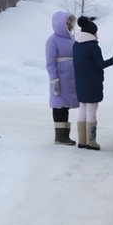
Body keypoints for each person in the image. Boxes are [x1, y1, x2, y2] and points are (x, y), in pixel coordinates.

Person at [72, 15, 113, 150]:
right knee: (91, 111)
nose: (97, 35)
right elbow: (100, 64)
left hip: (80, 82)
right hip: (92, 83)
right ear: (92, 33)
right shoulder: (93, 47)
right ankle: (91, 141)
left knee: (82, 110)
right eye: (95, 32)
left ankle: (82, 141)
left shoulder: (76, 45)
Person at [45, 11, 78, 145]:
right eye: (67, 22)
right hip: (60, 78)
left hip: (71, 78)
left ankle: (65, 136)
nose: (69, 24)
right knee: (59, 106)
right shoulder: (52, 40)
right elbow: (50, 63)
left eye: (70, 21)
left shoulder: (72, 38)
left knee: (65, 106)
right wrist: (54, 80)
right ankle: (59, 136)